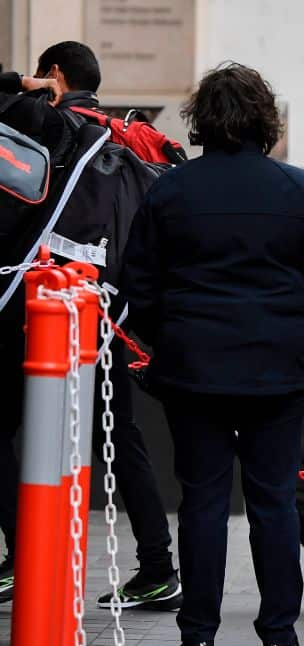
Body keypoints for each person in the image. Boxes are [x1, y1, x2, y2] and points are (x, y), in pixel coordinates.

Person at [121, 62, 304, 646]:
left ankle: (197, 641)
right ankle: (280, 643)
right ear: (265, 120)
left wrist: (171, 334)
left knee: (201, 503)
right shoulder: (299, 189)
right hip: (276, 367)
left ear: (201, 120)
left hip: (193, 369)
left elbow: (137, 285)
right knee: (274, 502)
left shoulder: (170, 190)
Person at [0, 41, 182, 610]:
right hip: (105, 310)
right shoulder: (126, 137)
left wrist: (20, 84)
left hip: (38, 307)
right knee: (119, 434)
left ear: (54, 74)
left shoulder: (51, 124)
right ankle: (158, 566)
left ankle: (25, 556)